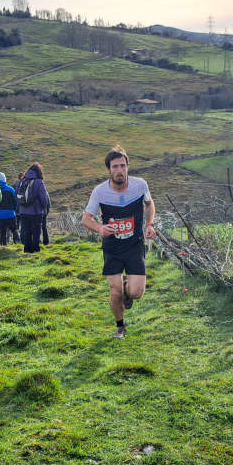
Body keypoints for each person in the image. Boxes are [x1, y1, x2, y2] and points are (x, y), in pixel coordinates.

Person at [81, 145, 156, 339]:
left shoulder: (140, 185)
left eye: (122, 166)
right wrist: (100, 228)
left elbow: (149, 204)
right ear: (108, 170)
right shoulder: (99, 192)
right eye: (115, 167)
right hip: (113, 248)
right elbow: (86, 219)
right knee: (115, 293)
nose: (119, 170)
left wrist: (149, 224)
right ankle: (120, 326)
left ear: (128, 167)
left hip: (134, 245)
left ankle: (127, 287)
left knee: (136, 292)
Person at [17, 162, 51, 253]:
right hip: (36, 212)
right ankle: (36, 250)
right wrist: (44, 208)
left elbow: (17, 194)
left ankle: (27, 250)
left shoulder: (21, 181)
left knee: (27, 231)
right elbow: (44, 198)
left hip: (23, 211)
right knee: (36, 232)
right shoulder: (39, 182)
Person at [0, 172, 19, 246]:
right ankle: (17, 243)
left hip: (0, 215)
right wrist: (14, 209)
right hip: (10, 213)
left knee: (2, 231)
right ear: (5, 180)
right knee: (14, 229)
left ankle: (3, 245)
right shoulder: (11, 189)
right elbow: (16, 201)